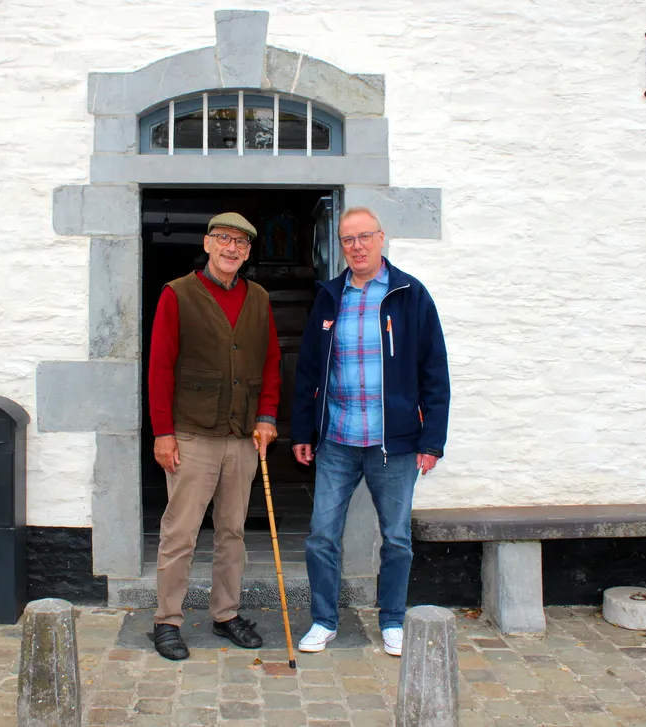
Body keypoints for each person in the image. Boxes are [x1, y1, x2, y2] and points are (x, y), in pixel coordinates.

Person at [291, 207, 450, 656]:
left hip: (393, 444)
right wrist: (304, 430)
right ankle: (323, 620)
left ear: (381, 239)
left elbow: (434, 372)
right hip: (338, 440)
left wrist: (432, 439)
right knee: (322, 534)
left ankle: (393, 620)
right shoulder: (329, 296)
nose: (357, 246)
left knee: (397, 539)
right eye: (348, 240)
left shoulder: (410, 294)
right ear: (340, 246)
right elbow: (308, 371)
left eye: (364, 237)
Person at [147, 212, 282, 661]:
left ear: (248, 252)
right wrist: (163, 433)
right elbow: (160, 368)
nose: (232, 248)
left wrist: (266, 416)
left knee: (232, 532)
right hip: (191, 434)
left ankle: (226, 614)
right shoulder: (178, 293)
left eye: (241, 243)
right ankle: (167, 621)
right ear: (207, 244)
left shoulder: (258, 297)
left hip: (242, 435)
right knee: (180, 533)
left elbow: (270, 363)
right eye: (223, 239)